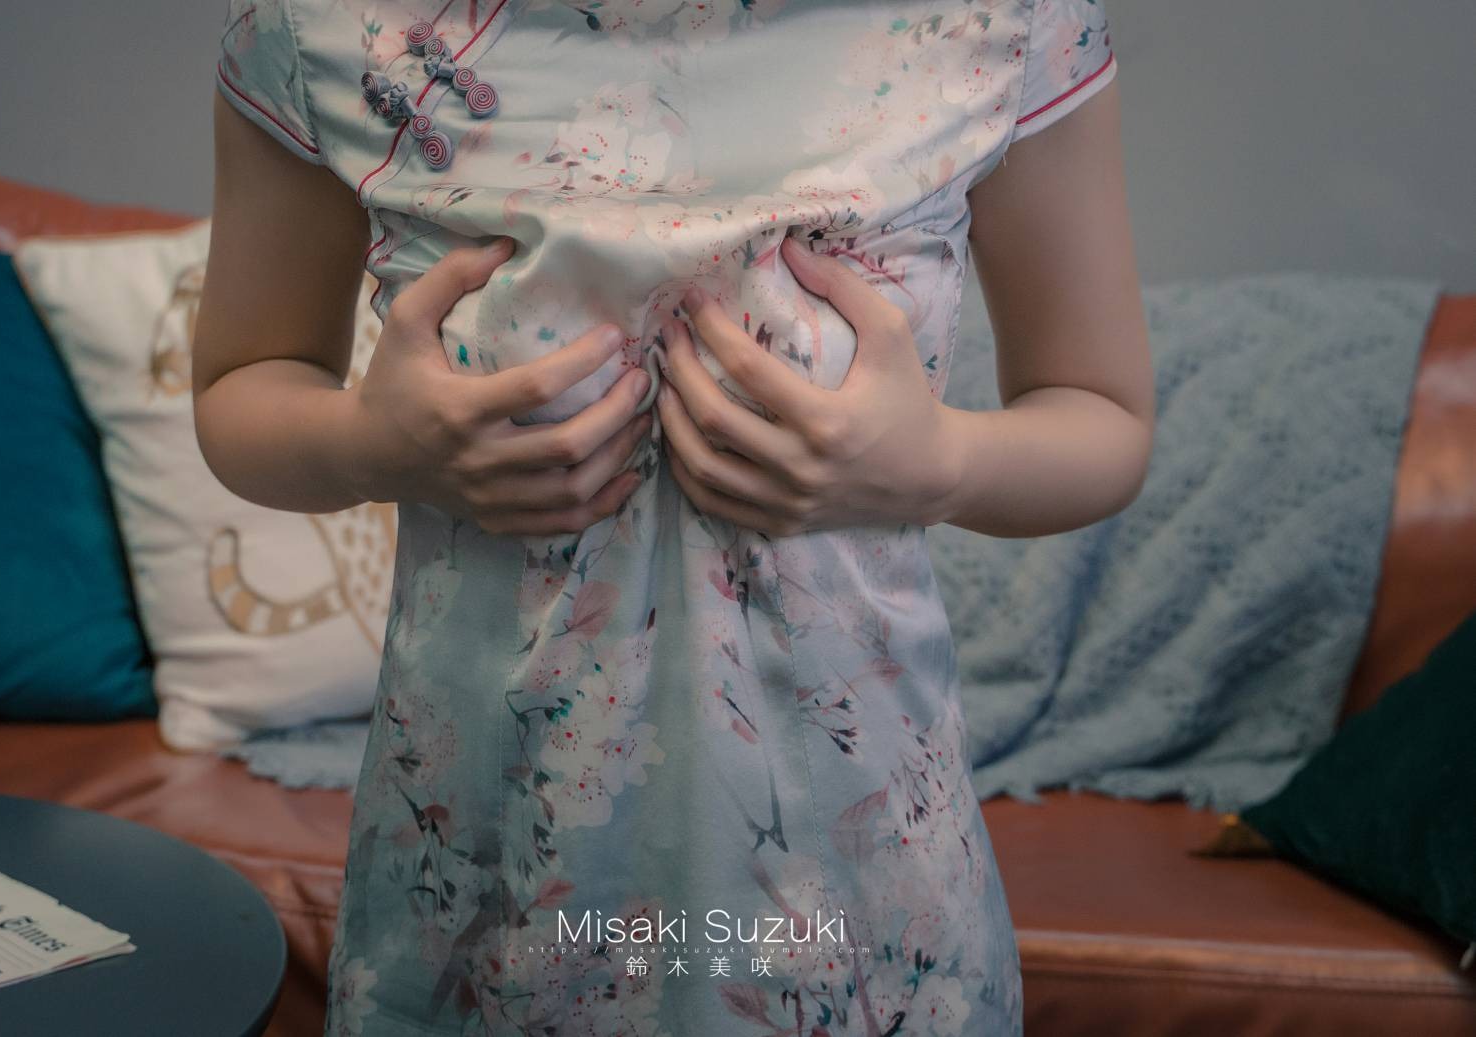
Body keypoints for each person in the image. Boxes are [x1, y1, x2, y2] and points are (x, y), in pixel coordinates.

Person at [193, 0, 1153, 1032]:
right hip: (487, 871)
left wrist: (936, 465)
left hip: (856, 882)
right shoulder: (322, 28)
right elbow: (244, 383)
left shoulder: (1001, 22)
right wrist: (367, 445)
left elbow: (1102, 416)